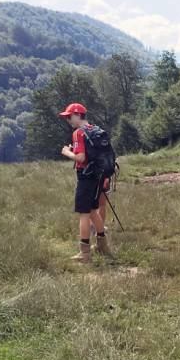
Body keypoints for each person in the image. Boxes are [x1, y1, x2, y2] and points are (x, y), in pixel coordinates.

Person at [58, 102, 113, 263]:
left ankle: (85, 253)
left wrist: (67, 152)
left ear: (78, 115)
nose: (68, 120)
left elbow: (81, 158)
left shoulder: (79, 133)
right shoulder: (95, 130)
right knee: (94, 211)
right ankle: (103, 246)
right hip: (98, 176)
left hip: (85, 176)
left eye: (69, 117)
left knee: (84, 214)